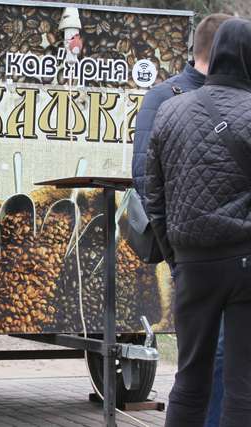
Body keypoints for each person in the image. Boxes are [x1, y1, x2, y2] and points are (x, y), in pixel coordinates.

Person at [145, 18, 251, 427]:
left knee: (190, 378)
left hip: (192, 263)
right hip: (244, 263)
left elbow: (154, 195)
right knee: (243, 384)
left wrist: (177, 256)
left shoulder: (170, 111)